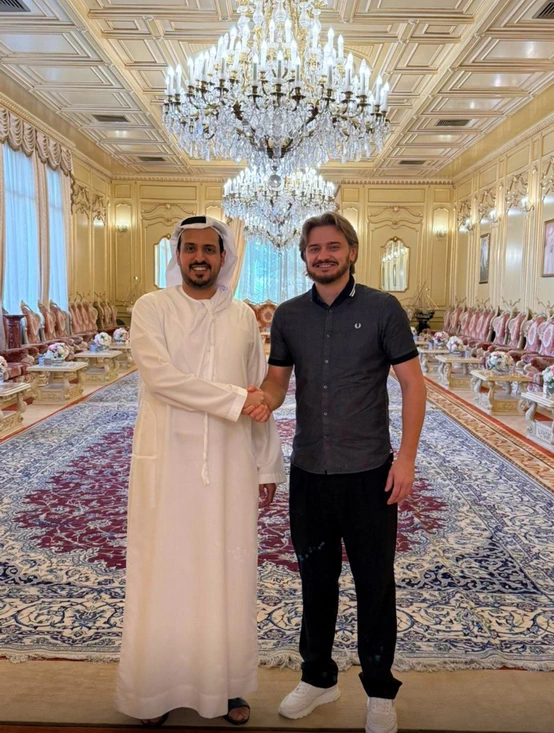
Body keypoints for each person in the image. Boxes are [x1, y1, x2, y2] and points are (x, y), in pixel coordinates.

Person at [245, 212, 426, 733]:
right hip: (309, 474)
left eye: (332, 246)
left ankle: (379, 690)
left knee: (375, 584)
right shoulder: (289, 316)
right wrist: (263, 399)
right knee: (315, 582)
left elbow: (413, 385)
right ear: (304, 256)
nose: (322, 255)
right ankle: (319, 678)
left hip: (369, 474)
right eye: (314, 249)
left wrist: (407, 458)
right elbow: (277, 383)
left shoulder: (382, 309)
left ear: (351, 251)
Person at [115, 216, 286, 727]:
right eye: (190, 249)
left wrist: (266, 465)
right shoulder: (151, 307)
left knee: (228, 573)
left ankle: (228, 687)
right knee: (164, 572)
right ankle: (154, 692)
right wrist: (236, 400)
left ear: (223, 257)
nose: (199, 258)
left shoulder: (241, 317)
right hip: (167, 462)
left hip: (231, 465)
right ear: (178, 254)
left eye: (209, 250)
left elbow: (259, 393)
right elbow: (162, 379)